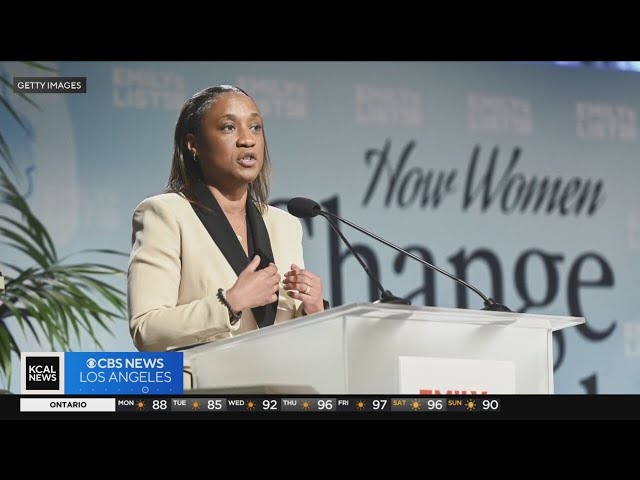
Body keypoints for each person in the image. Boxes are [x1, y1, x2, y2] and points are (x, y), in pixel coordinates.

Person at [127, 85, 327, 352]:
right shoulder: (165, 214)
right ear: (193, 144)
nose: (247, 140)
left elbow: (295, 338)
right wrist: (230, 303)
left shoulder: (285, 225)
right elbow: (146, 330)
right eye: (229, 127)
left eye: (255, 127)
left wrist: (313, 310)